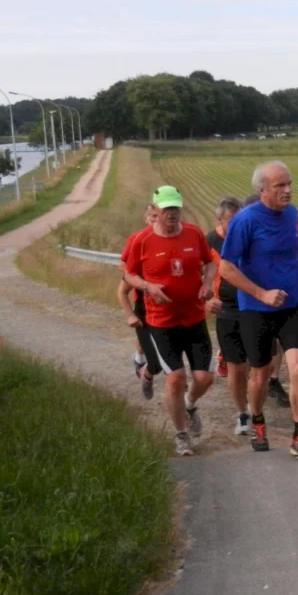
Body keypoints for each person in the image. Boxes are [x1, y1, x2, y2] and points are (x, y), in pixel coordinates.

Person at [219, 161, 298, 461]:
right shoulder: (245, 221)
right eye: (280, 186)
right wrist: (261, 293)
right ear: (262, 190)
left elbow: (284, 251)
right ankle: (258, 420)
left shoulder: (289, 215)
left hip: (291, 305)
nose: (288, 191)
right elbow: (226, 267)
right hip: (256, 309)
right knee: (259, 374)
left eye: (289, 183)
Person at [123, 186, 216, 457]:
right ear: (155, 210)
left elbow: (209, 263)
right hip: (161, 322)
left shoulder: (194, 233)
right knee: (175, 377)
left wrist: (208, 283)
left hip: (194, 318)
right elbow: (128, 276)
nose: (172, 213)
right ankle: (181, 435)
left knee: (204, 378)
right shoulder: (142, 240)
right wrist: (147, 286)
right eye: (167, 209)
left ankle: (189, 405)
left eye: (176, 208)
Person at [206, 196, 252, 437]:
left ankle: (251, 405)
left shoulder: (249, 238)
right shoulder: (209, 241)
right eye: (230, 222)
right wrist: (206, 299)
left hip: (253, 307)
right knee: (237, 367)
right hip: (226, 309)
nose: (235, 227)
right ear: (219, 220)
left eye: (239, 222)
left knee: (252, 365)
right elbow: (195, 275)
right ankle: (243, 413)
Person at [244, 190, 291, 407]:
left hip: (281, 302)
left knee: (279, 346)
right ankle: (253, 412)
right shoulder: (243, 229)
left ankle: (274, 381)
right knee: (255, 364)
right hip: (246, 304)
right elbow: (225, 268)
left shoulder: (282, 226)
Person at [118, 203, 159, 400]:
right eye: (152, 217)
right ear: (146, 219)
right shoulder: (137, 239)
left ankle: (174, 375)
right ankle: (139, 358)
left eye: (157, 216)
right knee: (145, 339)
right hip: (142, 298)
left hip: (163, 302)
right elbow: (123, 266)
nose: (155, 220)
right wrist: (138, 280)